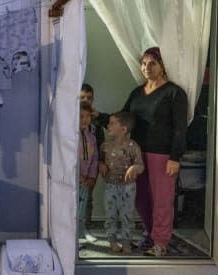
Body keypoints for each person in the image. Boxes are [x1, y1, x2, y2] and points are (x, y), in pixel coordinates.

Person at [122, 47, 188, 257]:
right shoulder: (136, 92)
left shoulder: (174, 93)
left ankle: (161, 242)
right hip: (137, 155)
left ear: (162, 66)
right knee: (140, 198)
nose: (146, 68)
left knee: (162, 200)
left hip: (162, 156)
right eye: (143, 63)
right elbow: (123, 119)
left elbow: (180, 128)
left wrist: (175, 158)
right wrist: (97, 115)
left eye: (152, 64)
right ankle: (150, 233)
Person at [99, 111, 144, 254]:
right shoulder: (105, 146)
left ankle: (126, 242)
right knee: (110, 215)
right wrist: (101, 165)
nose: (108, 125)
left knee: (127, 215)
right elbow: (100, 160)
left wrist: (134, 167)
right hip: (110, 186)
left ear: (123, 129)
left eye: (112, 123)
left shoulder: (133, 146)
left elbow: (141, 166)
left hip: (128, 187)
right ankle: (112, 241)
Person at [80, 83, 110, 227]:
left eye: (89, 97)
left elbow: (100, 145)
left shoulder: (96, 121)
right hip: (76, 171)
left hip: (91, 168)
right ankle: (73, 231)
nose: (86, 100)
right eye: (82, 97)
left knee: (88, 198)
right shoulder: (71, 120)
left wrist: (100, 164)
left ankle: (85, 228)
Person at [78, 102, 99, 243]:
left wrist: (91, 176)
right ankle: (70, 234)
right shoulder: (70, 137)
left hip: (85, 180)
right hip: (74, 180)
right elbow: (68, 160)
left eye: (87, 116)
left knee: (82, 208)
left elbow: (94, 158)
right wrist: (77, 176)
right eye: (81, 116)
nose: (85, 120)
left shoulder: (91, 137)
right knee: (70, 209)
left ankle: (81, 231)